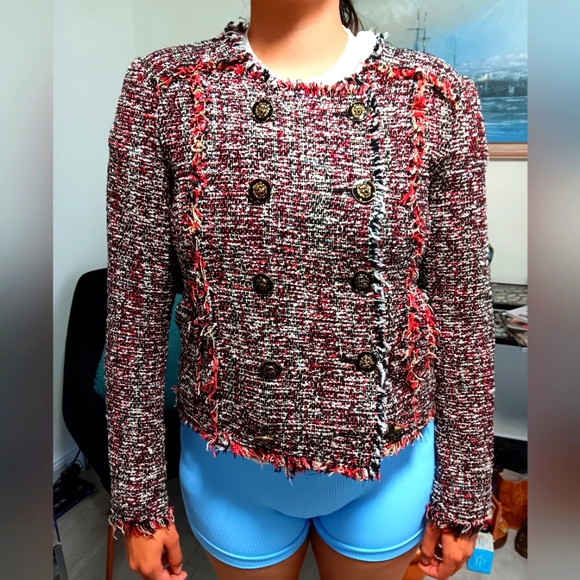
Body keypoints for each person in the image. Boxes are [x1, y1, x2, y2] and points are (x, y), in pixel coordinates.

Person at [104, 1, 495, 579]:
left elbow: (463, 315)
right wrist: (138, 498)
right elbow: (134, 314)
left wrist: (465, 492)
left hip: (389, 467)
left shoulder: (438, 97)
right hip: (228, 471)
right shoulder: (162, 90)